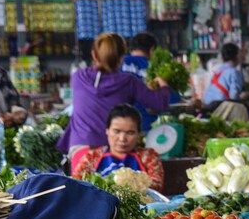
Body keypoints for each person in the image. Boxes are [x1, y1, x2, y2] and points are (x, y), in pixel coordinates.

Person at [57, 32, 170, 174]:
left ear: (94, 55)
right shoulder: (128, 82)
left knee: (85, 193)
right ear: (122, 58)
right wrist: (164, 87)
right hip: (112, 153)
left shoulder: (78, 77)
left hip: (80, 150)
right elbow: (159, 104)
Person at [73, 104, 164, 191]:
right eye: (116, 131)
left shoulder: (148, 156)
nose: (122, 139)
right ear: (107, 131)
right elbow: (75, 184)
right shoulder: (91, 158)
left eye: (130, 133)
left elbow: (157, 185)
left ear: (138, 134)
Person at [120, 32, 167, 131]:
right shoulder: (155, 67)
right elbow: (169, 99)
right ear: (152, 49)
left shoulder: (119, 63)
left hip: (119, 127)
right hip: (146, 126)